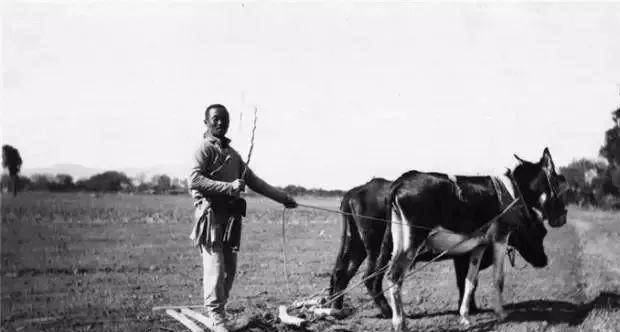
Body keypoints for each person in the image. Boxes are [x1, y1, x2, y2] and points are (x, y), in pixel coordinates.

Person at [189, 104, 297, 332]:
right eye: (216, 119)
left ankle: (221, 312)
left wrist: (283, 198)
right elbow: (195, 180)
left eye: (224, 119)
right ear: (206, 122)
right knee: (216, 270)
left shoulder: (233, 155)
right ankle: (217, 317)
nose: (220, 123)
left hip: (230, 221)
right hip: (210, 219)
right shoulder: (204, 149)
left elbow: (255, 182)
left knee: (229, 269)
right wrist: (228, 187)